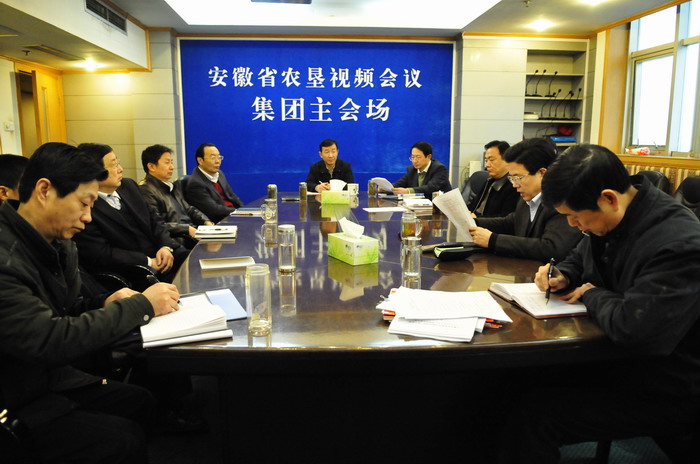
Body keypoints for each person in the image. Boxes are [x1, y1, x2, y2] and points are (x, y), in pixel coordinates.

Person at [499, 144, 700, 464]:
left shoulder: (678, 242)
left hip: (665, 384)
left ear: (608, 198)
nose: (573, 225)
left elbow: (634, 329)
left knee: (535, 415)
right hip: (614, 358)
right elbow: (581, 256)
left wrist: (592, 294)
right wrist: (563, 274)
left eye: (575, 217)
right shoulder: (614, 215)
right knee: (507, 379)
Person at [0, 142, 180, 464]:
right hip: (18, 395)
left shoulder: (56, 239)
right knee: (122, 440)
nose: (87, 217)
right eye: (84, 203)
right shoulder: (7, 257)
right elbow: (49, 339)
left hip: (50, 377)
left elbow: (67, 308)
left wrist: (106, 300)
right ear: (44, 190)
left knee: (140, 401)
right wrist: (141, 306)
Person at [73, 143, 188, 283]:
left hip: (162, 253)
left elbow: (154, 219)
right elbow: (102, 253)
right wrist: (148, 261)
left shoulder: (129, 186)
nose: (120, 169)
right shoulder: (86, 208)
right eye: (114, 165)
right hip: (135, 270)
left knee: (198, 262)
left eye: (118, 163)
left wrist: (165, 246)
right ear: (94, 172)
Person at [469, 138, 581, 262]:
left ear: (542, 173)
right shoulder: (526, 198)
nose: (514, 185)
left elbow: (551, 248)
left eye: (518, 177)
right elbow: (509, 222)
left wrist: (493, 240)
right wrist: (472, 222)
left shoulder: (561, 202)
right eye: (511, 178)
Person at [139, 144, 214, 248]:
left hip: (192, 236)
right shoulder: (145, 191)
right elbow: (156, 224)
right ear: (151, 166)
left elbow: (189, 209)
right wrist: (187, 229)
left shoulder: (171, 186)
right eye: (167, 163)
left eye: (172, 162)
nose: (172, 167)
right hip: (177, 242)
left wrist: (206, 222)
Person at [185, 142, 243, 223]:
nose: (217, 161)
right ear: (200, 160)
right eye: (213, 158)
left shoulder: (220, 174)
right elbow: (214, 210)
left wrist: (244, 210)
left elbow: (232, 196)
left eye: (219, 157)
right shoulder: (195, 183)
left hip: (232, 216)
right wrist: (238, 212)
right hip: (219, 221)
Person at [466, 140, 520, 218]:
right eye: (486, 160)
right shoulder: (489, 181)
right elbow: (474, 206)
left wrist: (477, 219)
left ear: (506, 159)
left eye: (491, 160)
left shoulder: (514, 185)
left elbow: (506, 218)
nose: (487, 165)